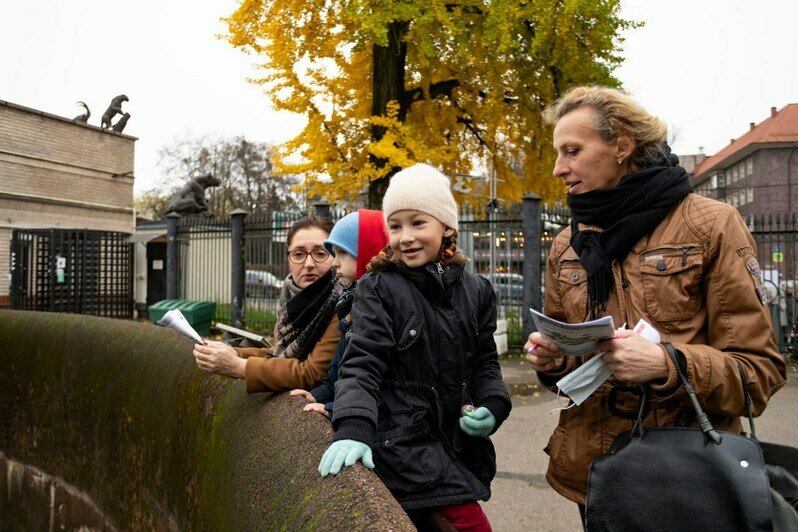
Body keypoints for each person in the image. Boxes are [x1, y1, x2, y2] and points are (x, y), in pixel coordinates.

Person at [524, 86, 787, 520]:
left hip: (685, 479)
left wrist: (668, 365)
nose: (558, 169)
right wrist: (553, 362)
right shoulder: (568, 242)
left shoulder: (710, 225)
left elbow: (758, 373)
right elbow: (573, 370)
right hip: (593, 477)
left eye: (572, 150)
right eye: (558, 153)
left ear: (622, 146)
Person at [318, 163, 512, 531]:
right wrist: (354, 426)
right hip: (402, 445)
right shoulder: (378, 288)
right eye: (395, 225)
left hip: (456, 444)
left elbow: (485, 362)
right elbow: (362, 364)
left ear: (447, 227)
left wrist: (493, 404)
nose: (405, 236)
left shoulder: (478, 291)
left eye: (417, 223)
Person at [192, 217, 342, 392]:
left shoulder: (342, 302)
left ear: (335, 257)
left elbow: (311, 373)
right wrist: (234, 353)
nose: (308, 264)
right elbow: (281, 353)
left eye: (320, 254)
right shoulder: (290, 299)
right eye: (299, 254)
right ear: (288, 259)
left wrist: (238, 366)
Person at [289, 209, 389, 417]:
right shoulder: (350, 301)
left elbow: (381, 386)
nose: (335, 262)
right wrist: (316, 395)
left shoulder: (382, 308)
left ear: (368, 251)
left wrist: (333, 408)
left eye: (343, 253)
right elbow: (338, 375)